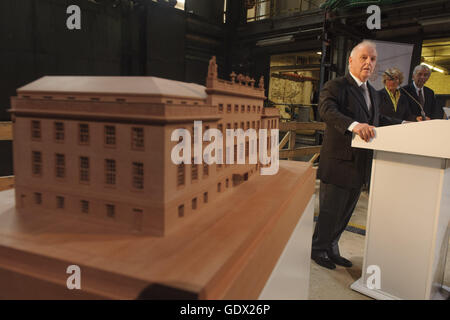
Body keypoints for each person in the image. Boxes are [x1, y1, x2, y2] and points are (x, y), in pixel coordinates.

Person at [312, 40, 402, 270]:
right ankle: (318, 249)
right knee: (330, 212)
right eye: (364, 57)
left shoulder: (373, 92)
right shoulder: (336, 86)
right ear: (350, 60)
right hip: (339, 161)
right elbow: (327, 111)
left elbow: (378, 121)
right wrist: (354, 125)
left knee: (345, 213)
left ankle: (332, 248)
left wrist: (406, 123)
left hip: (360, 164)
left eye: (372, 59)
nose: (369, 63)